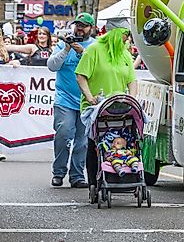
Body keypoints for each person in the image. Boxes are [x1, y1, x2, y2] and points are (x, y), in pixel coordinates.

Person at [75, 27, 138, 189]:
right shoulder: (93, 50)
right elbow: (81, 75)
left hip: (120, 106)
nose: (126, 42)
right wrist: (89, 97)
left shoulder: (124, 54)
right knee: (95, 142)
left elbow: (132, 80)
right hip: (96, 106)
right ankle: (93, 183)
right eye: (124, 38)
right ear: (116, 36)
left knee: (121, 142)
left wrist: (132, 98)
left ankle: (121, 177)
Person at [47, 13, 96, 188]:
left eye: (84, 25)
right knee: (63, 133)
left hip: (86, 100)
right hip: (64, 98)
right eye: (77, 25)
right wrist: (67, 49)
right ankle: (58, 172)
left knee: (82, 141)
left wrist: (82, 52)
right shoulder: (62, 44)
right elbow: (52, 66)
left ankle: (77, 176)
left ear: (92, 28)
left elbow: (97, 68)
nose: (80, 28)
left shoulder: (95, 47)